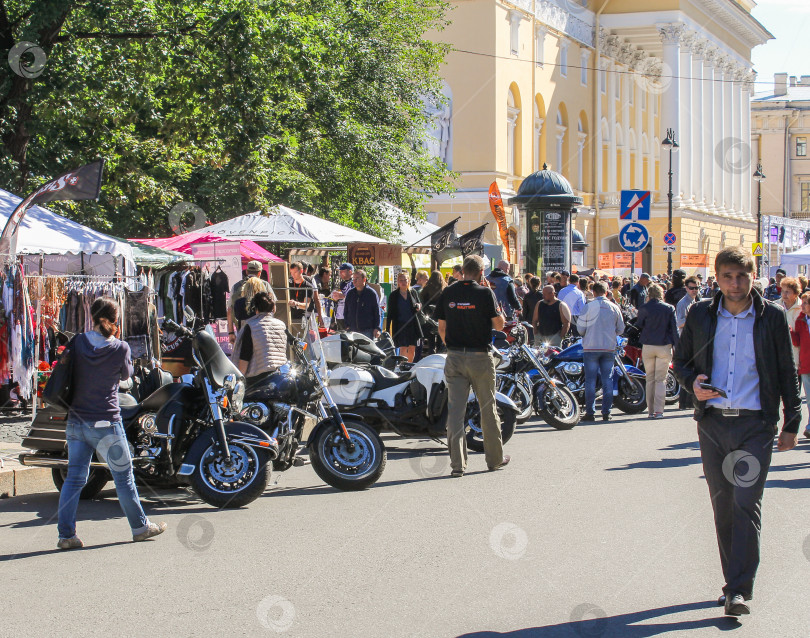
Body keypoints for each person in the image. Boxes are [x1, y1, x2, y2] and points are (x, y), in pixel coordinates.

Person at [673, 246, 800, 618]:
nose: (735, 284)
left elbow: (785, 371)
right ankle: (733, 582)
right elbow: (681, 362)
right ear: (717, 277)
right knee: (724, 507)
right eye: (727, 276)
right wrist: (690, 383)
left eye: (742, 276)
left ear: (753, 275)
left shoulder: (771, 316)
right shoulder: (700, 314)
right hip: (712, 424)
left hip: (755, 424)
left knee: (746, 503)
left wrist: (791, 422)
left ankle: (739, 589)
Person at [57, 298, 166, 549]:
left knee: (74, 478)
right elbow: (127, 376)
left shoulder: (78, 342)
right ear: (116, 321)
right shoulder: (120, 348)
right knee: (123, 477)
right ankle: (140, 527)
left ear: (91, 316)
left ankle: (66, 535)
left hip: (76, 422)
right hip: (106, 422)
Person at [435, 255, 509, 477]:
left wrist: (453, 346)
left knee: (456, 411)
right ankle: (494, 459)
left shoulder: (448, 292)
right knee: (488, 409)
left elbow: (441, 328)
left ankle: (457, 465)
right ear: (481, 271)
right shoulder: (485, 293)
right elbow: (500, 324)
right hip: (480, 357)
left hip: (455, 356)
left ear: (463, 271)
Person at [576, 281, 624, 422]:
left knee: (590, 380)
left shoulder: (588, 307)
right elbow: (621, 329)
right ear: (606, 292)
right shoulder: (614, 307)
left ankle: (590, 412)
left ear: (594, 292)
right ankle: (606, 412)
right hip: (608, 347)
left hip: (591, 347)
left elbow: (580, 329)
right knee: (607, 380)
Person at [634, 283, 678, 419]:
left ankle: (650, 411)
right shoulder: (669, 308)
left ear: (649, 294)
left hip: (648, 345)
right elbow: (674, 330)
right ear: (661, 294)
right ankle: (659, 411)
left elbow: (638, 325)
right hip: (664, 345)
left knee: (650, 379)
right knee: (660, 380)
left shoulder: (644, 308)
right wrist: (677, 347)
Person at [233, 292, 288, 388]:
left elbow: (245, 355)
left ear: (256, 309)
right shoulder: (281, 325)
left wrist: (239, 379)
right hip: (280, 375)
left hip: (259, 378)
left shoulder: (251, 326)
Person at [228, 261, 276, 345]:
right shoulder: (265, 285)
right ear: (260, 273)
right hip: (262, 329)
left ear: (246, 272)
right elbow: (273, 309)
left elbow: (229, 311)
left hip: (242, 330)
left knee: (245, 354)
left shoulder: (236, 287)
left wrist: (231, 333)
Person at [386, 271, 423, 362]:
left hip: (412, 324)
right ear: (398, 282)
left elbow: (419, 303)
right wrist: (387, 329)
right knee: (403, 348)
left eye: (405, 280)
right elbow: (390, 313)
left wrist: (418, 306)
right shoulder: (394, 295)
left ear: (409, 281)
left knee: (412, 348)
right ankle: (402, 366)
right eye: (401, 280)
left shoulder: (413, 292)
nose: (403, 282)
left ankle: (409, 366)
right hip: (400, 325)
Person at [790, 292, 810, 439]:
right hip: (805, 363)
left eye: (805, 303)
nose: (802, 306)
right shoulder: (800, 320)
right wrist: (790, 331)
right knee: (809, 397)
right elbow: (797, 342)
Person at [344, 269, 381, 338]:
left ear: (364, 279)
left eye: (357, 279)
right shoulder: (350, 294)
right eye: (353, 279)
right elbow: (346, 310)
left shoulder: (371, 294)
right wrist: (347, 325)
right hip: (352, 331)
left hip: (367, 331)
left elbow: (377, 311)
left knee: (366, 349)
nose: (354, 281)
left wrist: (377, 328)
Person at [289, 261, 323, 337]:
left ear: (301, 271)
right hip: (289, 317)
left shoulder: (308, 286)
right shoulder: (289, 284)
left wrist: (296, 304)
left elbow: (307, 304)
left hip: (301, 319)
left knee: (301, 340)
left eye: (295, 272)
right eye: (291, 273)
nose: (293, 275)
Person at [779, 276, 802, 369]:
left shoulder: (802, 308)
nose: (784, 294)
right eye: (782, 291)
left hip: (797, 359)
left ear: (796, 293)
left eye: (787, 292)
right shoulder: (775, 306)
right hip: (779, 357)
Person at [330, 263, 354, 331]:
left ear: (350, 272)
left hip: (349, 316)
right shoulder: (342, 283)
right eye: (339, 271)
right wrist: (335, 296)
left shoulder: (354, 283)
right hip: (339, 315)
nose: (340, 273)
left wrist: (343, 296)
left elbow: (355, 298)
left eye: (342, 271)